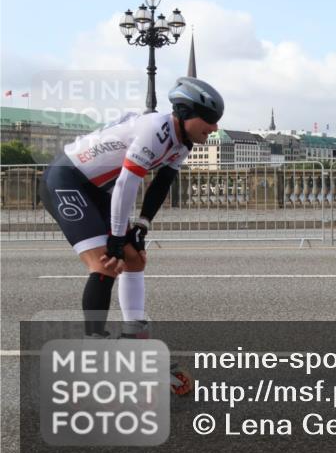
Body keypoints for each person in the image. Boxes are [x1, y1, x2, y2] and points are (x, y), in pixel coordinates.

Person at [40, 77, 224, 395]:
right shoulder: (156, 129)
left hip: (96, 188)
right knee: (106, 263)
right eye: (208, 121)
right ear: (184, 113)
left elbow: (161, 184)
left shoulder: (182, 143)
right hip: (67, 179)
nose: (213, 127)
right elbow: (127, 184)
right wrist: (114, 236)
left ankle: (133, 337)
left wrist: (141, 225)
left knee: (135, 259)